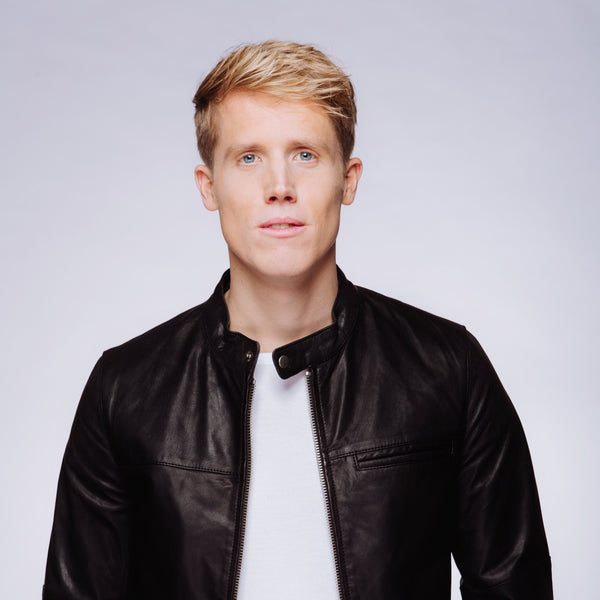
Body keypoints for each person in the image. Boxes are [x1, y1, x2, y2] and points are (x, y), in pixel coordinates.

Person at [43, 41, 553, 599]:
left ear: (348, 179)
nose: (279, 187)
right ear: (209, 187)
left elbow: (514, 586)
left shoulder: (447, 367)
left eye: (305, 155)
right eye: (248, 158)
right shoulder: (125, 388)